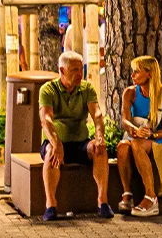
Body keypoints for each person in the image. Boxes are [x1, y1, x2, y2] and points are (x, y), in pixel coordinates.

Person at [38, 51, 111, 221]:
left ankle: (103, 201)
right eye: (74, 70)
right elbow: (46, 119)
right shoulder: (48, 90)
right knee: (51, 154)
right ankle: (51, 205)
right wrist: (56, 143)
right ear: (62, 71)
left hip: (80, 143)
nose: (79, 74)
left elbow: (97, 114)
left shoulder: (86, 88)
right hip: (56, 142)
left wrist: (99, 136)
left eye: (81, 70)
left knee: (99, 149)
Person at [117, 55, 162, 218]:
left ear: (149, 73)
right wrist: (135, 130)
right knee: (122, 147)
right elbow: (125, 120)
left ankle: (151, 196)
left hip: (157, 138)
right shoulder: (129, 92)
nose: (132, 75)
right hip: (135, 135)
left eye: (136, 72)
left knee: (137, 145)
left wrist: (151, 134)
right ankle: (127, 193)